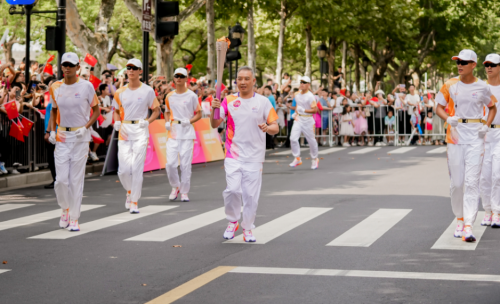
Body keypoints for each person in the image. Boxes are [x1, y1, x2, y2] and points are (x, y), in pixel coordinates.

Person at [210, 66, 279, 242]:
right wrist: (214, 109)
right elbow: (215, 123)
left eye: (246, 79)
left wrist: (267, 127)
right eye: (239, 79)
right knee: (232, 190)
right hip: (233, 154)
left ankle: (247, 228)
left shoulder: (263, 102)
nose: (242, 82)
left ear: (253, 81)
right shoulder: (229, 100)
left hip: (255, 157)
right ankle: (233, 221)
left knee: (250, 196)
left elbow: (275, 127)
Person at [436, 49, 497, 242]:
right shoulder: (449, 84)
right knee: (457, 183)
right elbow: (437, 107)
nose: (459, 65)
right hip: (454, 136)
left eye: (464, 62)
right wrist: (448, 118)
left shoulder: (483, 87)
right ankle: (459, 219)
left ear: (473, 65)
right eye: (457, 62)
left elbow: (492, 107)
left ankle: (469, 225)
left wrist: (486, 126)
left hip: (475, 137)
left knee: (472, 182)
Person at [48, 52, 100, 231]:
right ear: (61, 67)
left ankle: (74, 218)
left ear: (78, 67)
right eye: (65, 65)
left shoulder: (86, 87)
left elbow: (96, 111)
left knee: (75, 180)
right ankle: (64, 208)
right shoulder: (55, 87)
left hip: (80, 138)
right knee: (61, 180)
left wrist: (85, 127)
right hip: (62, 137)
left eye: (71, 65)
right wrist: (51, 131)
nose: (68, 68)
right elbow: (54, 110)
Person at [113, 59, 160, 213]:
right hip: (125, 130)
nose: (131, 70)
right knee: (124, 170)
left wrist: (147, 121)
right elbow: (115, 110)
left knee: (137, 167)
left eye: (134, 68)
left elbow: (156, 110)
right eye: (128, 68)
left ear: (140, 71)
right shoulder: (120, 92)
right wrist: (117, 122)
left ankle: (134, 201)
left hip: (140, 129)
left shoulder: (147, 91)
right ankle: (129, 191)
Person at [164, 68, 201, 202]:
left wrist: (189, 121)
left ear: (186, 79)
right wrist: (167, 122)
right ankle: (175, 186)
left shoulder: (192, 96)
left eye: (181, 76)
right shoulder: (169, 96)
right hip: (173, 132)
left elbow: (199, 113)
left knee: (185, 164)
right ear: (173, 78)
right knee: (170, 164)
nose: (179, 78)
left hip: (186, 133)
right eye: (176, 76)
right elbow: (167, 111)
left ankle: (184, 192)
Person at [480, 53, 500, 227]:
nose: (489, 67)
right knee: (484, 177)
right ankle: (487, 210)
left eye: (493, 64)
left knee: (497, 174)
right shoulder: (481, 88)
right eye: (487, 64)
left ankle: (497, 211)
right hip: (484, 135)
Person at [288, 76, 319, 169]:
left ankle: (314, 159)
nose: (302, 84)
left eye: (304, 82)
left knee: (311, 141)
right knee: (293, 138)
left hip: (308, 120)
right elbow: (298, 105)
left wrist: (304, 110)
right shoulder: (297, 94)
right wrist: (296, 113)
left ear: (308, 85)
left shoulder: (310, 96)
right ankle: (297, 158)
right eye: (301, 82)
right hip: (299, 119)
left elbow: (315, 110)